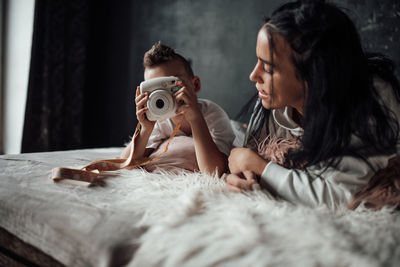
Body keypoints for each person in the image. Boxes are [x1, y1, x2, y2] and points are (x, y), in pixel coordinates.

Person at [226, 0, 400, 209]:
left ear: (314, 77)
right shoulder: (273, 102)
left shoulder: (367, 102)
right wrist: (241, 171)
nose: (254, 75)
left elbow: (343, 197)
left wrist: (261, 168)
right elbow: (248, 159)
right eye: (257, 61)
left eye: (269, 68)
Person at [121, 42, 235, 176]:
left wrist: (196, 118)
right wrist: (145, 129)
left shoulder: (213, 115)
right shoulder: (160, 121)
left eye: (172, 85)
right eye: (156, 90)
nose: (165, 95)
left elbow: (213, 171)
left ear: (196, 85)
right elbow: (126, 163)